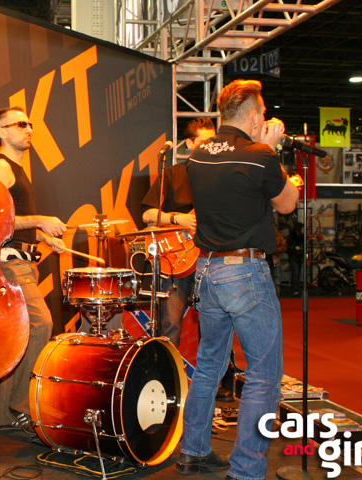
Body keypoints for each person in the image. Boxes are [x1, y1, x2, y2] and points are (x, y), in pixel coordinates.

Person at [178, 79, 299, 479]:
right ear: (253, 117)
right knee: (264, 375)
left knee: (209, 365)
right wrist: (273, 149)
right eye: (262, 113)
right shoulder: (261, 155)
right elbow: (288, 203)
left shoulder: (198, 154)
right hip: (245, 271)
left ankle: (193, 450)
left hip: (207, 271)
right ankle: (246, 470)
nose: (265, 119)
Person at [0, 107, 67, 436]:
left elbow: (12, 220)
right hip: (8, 264)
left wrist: (43, 237)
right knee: (40, 323)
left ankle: (0, 415)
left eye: (30, 123)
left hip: (22, 261)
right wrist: (40, 221)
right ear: (1, 132)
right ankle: (20, 404)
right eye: (21, 124)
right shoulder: (0, 167)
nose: (29, 129)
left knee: (15, 336)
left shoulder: (15, 169)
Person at [141, 117, 215, 347]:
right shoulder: (173, 174)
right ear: (190, 144)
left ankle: (215, 370)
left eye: (213, 142)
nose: (209, 147)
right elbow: (147, 215)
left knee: (215, 323)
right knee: (171, 323)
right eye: (203, 142)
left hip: (211, 257)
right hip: (178, 260)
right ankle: (167, 367)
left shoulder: (221, 176)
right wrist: (177, 218)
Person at [287, 222, 304, 295]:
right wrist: (294, 248)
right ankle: (294, 289)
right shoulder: (291, 237)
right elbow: (287, 247)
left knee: (298, 274)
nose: (303, 230)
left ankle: (297, 288)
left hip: (300, 257)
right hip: (293, 257)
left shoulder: (302, 237)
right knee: (295, 274)